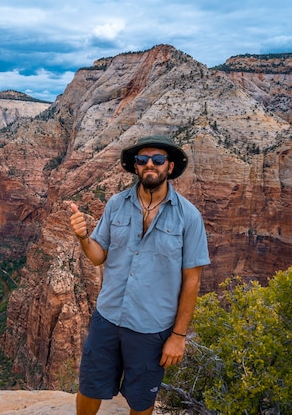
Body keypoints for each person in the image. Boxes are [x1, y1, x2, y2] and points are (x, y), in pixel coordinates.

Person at [69, 135, 210, 415]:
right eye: (142, 159)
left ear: (169, 167)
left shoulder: (189, 217)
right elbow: (99, 256)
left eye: (158, 160)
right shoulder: (115, 205)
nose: (150, 164)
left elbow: (192, 280)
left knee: (141, 398)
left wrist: (178, 336)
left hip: (152, 328)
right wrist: (83, 237)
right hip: (108, 317)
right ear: (135, 167)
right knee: (90, 386)